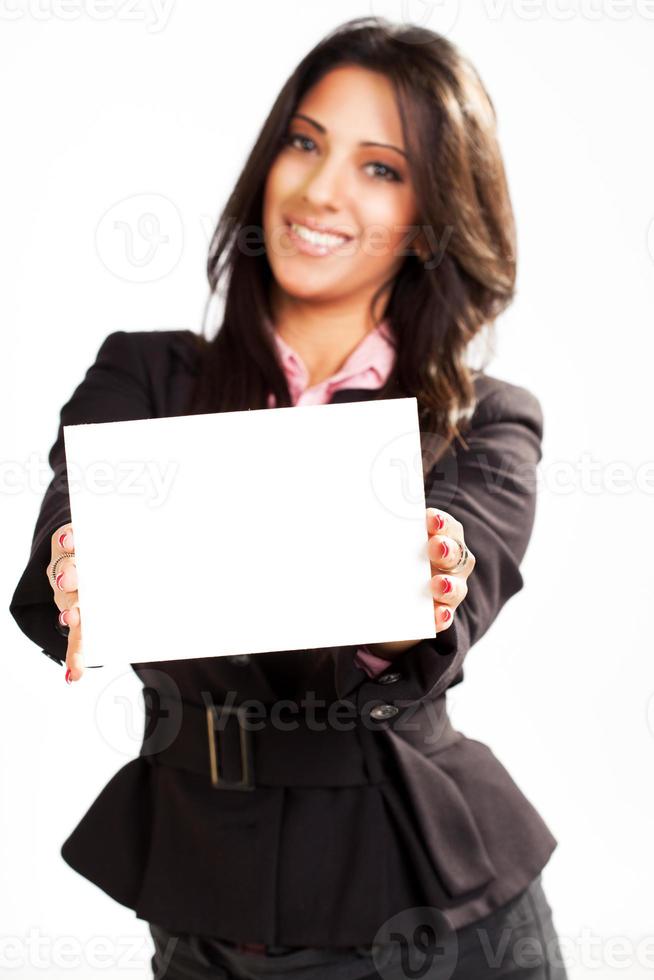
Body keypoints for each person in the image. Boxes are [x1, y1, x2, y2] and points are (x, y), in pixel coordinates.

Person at [9, 16, 569, 980]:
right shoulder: (146, 377)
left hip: (435, 910)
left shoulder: (486, 423)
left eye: (381, 168)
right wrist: (81, 561)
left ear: (437, 214)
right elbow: (73, 524)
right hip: (208, 898)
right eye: (305, 143)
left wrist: (417, 584)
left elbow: (450, 602)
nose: (321, 188)